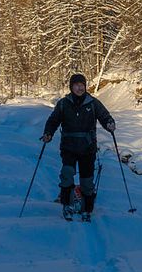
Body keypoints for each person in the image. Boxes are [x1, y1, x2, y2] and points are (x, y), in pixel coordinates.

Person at [41, 73, 116, 221]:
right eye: (76, 85)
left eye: (82, 85)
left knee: (87, 180)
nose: (80, 87)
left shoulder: (93, 103)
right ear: (71, 87)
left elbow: (104, 116)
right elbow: (53, 120)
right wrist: (48, 133)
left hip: (88, 148)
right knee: (67, 174)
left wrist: (109, 124)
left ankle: (87, 209)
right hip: (68, 147)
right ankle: (66, 205)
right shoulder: (63, 103)